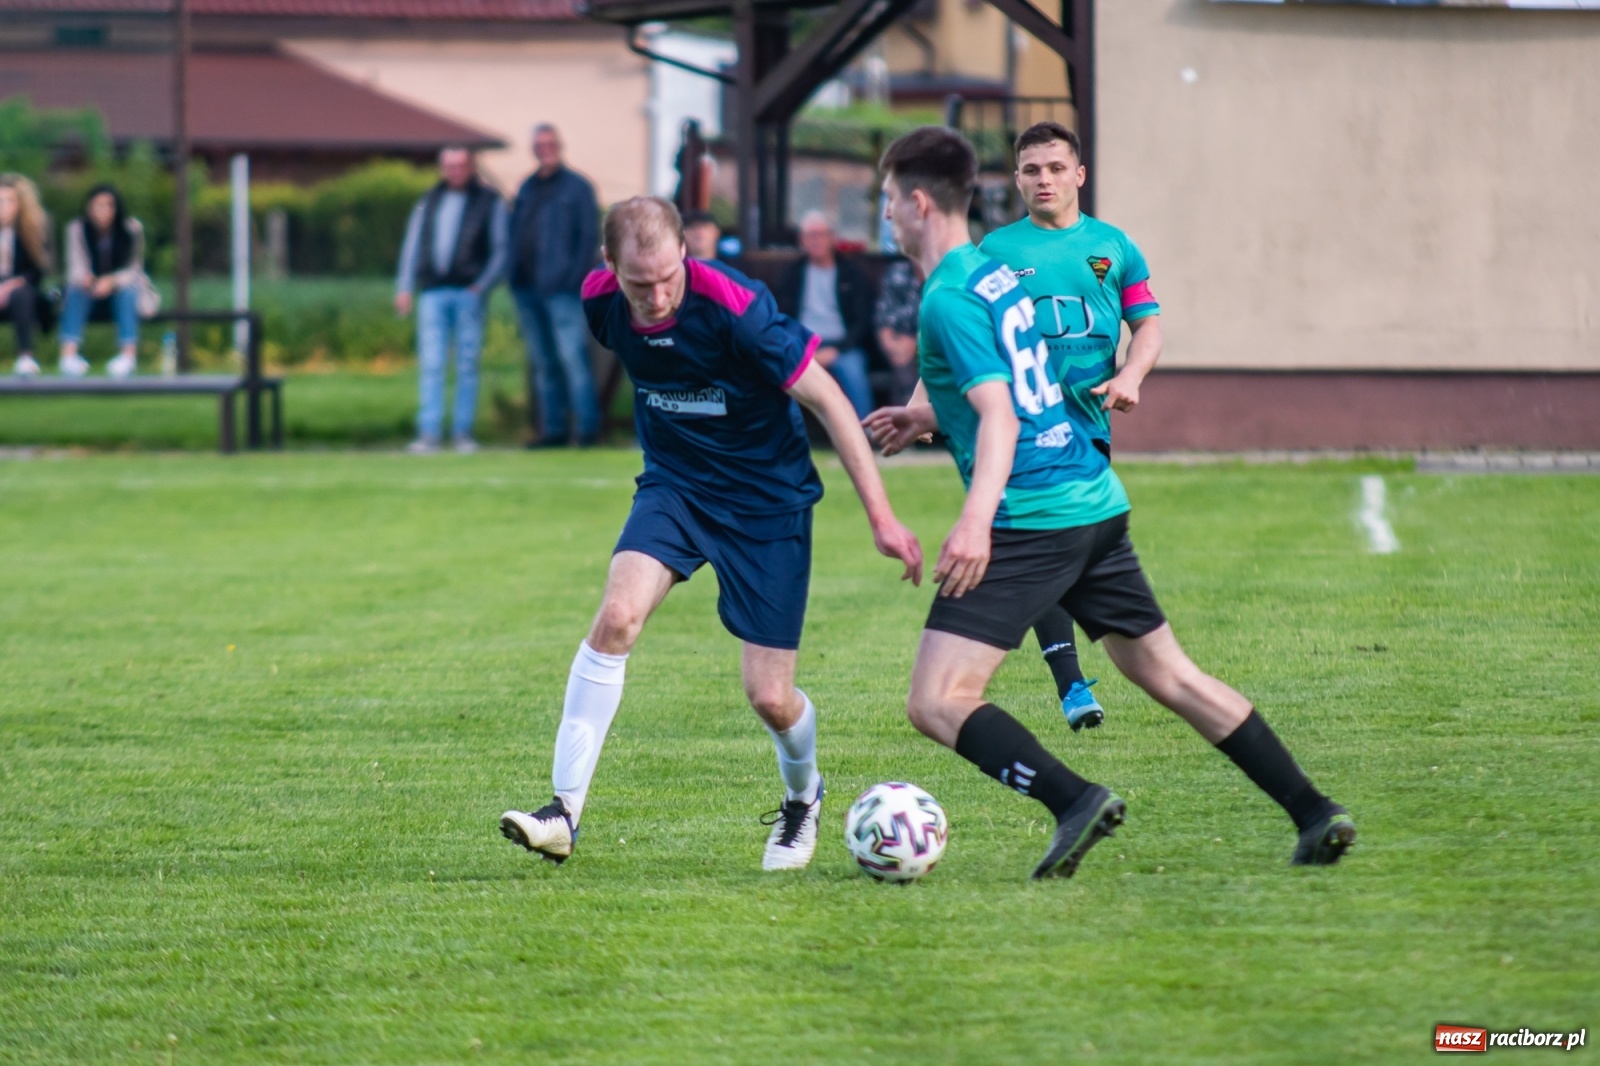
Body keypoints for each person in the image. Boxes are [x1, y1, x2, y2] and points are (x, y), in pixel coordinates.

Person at [863, 127, 1354, 879]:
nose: (886, 216)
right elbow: (1020, 390)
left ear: (919, 203)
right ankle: (1315, 812)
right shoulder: (994, 277)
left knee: (936, 701)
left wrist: (974, 523)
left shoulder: (954, 294)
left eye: (889, 201)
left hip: (1033, 513)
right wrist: (924, 416)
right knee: (1170, 675)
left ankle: (1073, 800)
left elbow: (999, 414)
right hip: (1093, 499)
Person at [500, 196, 923, 872]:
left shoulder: (737, 307)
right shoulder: (600, 303)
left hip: (767, 501)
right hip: (677, 485)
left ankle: (802, 797)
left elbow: (830, 401)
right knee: (616, 617)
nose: (659, 295)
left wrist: (882, 518)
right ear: (610, 267)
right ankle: (563, 813)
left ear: (684, 256)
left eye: (669, 276)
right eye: (640, 283)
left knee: (770, 697)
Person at [977, 121, 1164, 732]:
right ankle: (1073, 686)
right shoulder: (995, 254)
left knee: (1066, 553)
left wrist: (1131, 375)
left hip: (1090, 423)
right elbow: (956, 332)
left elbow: (1148, 325)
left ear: (1079, 174)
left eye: (1056, 168)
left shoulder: (1114, 247)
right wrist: (922, 403)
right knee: (1046, 542)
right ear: (1017, 180)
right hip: (1023, 425)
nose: (1044, 179)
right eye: (1031, 170)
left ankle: (1113, 667)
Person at [396, 147, 507, 454]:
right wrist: (405, 286)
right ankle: (429, 432)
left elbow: (501, 249)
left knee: (467, 364)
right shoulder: (429, 201)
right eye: (449, 166)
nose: (455, 171)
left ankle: (462, 433)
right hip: (432, 292)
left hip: (468, 293)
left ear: (470, 167)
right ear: (442, 168)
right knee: (432, 363)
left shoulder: (488, 202)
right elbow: (413, 244)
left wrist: (481, 286)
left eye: (460, 165)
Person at [509, 124, 602, 448]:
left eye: (549, 143)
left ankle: (587, 428)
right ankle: (554, 430)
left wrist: (572, 278)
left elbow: (588, 238)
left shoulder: (577, 188)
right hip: (528, 288)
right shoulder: (527, 187)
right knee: (544, 363)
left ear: (559, 146)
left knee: (572, 358)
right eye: (539, 144)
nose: (544, 149)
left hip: (562, 289)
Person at [774, 211, 875, 418]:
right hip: (801, 344)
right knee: (774, 368)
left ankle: (869, 433)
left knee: (854, 371)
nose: (816, 240)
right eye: (810, 235)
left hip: (844, 347)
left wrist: (835, 350)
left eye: (821, 234)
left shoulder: (853, 274)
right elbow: (782, 318)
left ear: (832, 238)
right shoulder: (791, 275)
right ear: (801, 240)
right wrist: (803, 348)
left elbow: (862, 321)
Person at [60, 183, 147, 379]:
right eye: (98, 205)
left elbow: (134, 269)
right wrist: (89, 280)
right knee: (75, 290)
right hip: (89, 291)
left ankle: (128, 355)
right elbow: (75, 265)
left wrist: (111, 281)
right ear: (89, 207)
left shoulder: (131, 229)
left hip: (118, 290)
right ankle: (69, 354)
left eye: (108, 205)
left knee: (128, 292)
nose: (103, 211)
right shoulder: (77, 229)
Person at [0, 173, 51, 378]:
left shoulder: (30, 232)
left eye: (8, 201)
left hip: (20, 289)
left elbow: (37, 272)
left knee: (22, 295)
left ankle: (26, 356)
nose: (2, 206)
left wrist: (8, 287)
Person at [873, 258, 922, 405]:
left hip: (928, 341)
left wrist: (916, 343)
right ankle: (907, 417)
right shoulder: (897, 271)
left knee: (906, 370)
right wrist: (889, 343)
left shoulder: (943, 275)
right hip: (897, 340)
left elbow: (939, 319)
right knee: (902, 361)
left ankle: (904, 417)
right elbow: (882, 315)